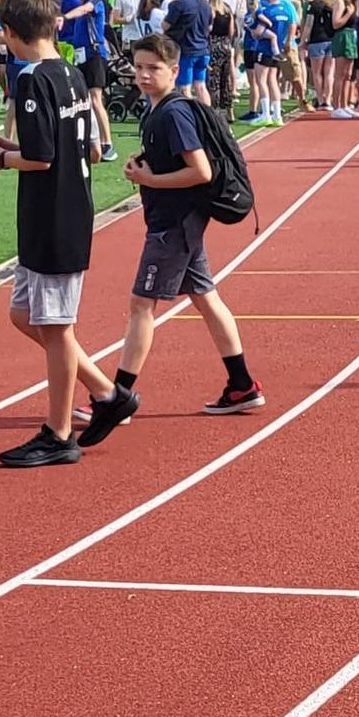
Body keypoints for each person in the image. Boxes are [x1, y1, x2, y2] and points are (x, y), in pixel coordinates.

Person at [80, 29, 264, 446]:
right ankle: (242, 385)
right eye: (139, 68)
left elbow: (201, 171)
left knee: (141, 305)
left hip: (174, 224)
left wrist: (150, 179)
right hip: (179, 221)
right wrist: (144, 165)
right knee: (205, 297)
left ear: (174, 70)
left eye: (153, 69)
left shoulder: (174, 113)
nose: (144, 76)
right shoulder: (159, 110)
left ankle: (116, 398)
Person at [0, 0, 117, 469]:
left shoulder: (31, 80)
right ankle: (108, 393)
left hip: (55, 214)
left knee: (54, 326)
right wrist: (3, 143)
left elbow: (42, 158)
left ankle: (59, 432)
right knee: (26, 315)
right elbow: (84, 147)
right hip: (63, 208)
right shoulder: (70, 73)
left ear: (8, 34)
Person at [59, 0, 116, 161]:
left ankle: (107, 144)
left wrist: (64, 17)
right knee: (84, 98)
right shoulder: (81, 4)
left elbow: (84, 10)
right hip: (81, 55)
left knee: (95, 98)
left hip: (94, 55)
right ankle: (90, 139)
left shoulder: (95, 3)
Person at [161, 0, 213, 108]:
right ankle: (208, 117)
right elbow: (209, 26)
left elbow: (165, 26)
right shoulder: (205, 4)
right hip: (203, 50)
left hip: (187, 50)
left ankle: (191, 118)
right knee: (201, 86)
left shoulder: (178, 4)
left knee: (185, 89)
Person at [241, 0, 283, 127]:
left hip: (263, 50)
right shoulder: (284, 10)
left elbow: (258, 33)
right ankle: (276, 115)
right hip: (275, 50)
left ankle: (266, 115)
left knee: (261, 81)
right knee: (273, 81)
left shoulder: (263, 11)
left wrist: (252, 30)